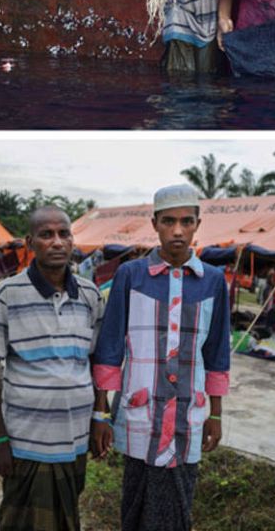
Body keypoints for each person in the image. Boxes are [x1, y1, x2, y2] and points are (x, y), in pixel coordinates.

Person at [91, 184, 231, 531]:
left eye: (186, 221)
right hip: (141, 412)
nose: (178, 231)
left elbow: (217, 354)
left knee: (179, 505)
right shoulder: (131, 276)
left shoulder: (213, 281)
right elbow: (110, 348)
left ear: (198, 223)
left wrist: (216, 414)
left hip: (189, 413)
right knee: (136, 501)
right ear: (154, 224)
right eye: (169, 221)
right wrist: (101, 411)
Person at [0, 206, 103, 531]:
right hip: (26, 441)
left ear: (73, 241)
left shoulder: (91, 295)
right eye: (47, 235)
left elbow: (97, 362)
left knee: (65, 516)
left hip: (74, 438)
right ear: (31, 242)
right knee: (20, 521)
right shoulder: (8, 294)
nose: (57, 242)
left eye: (64, 234)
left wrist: (102, 416)